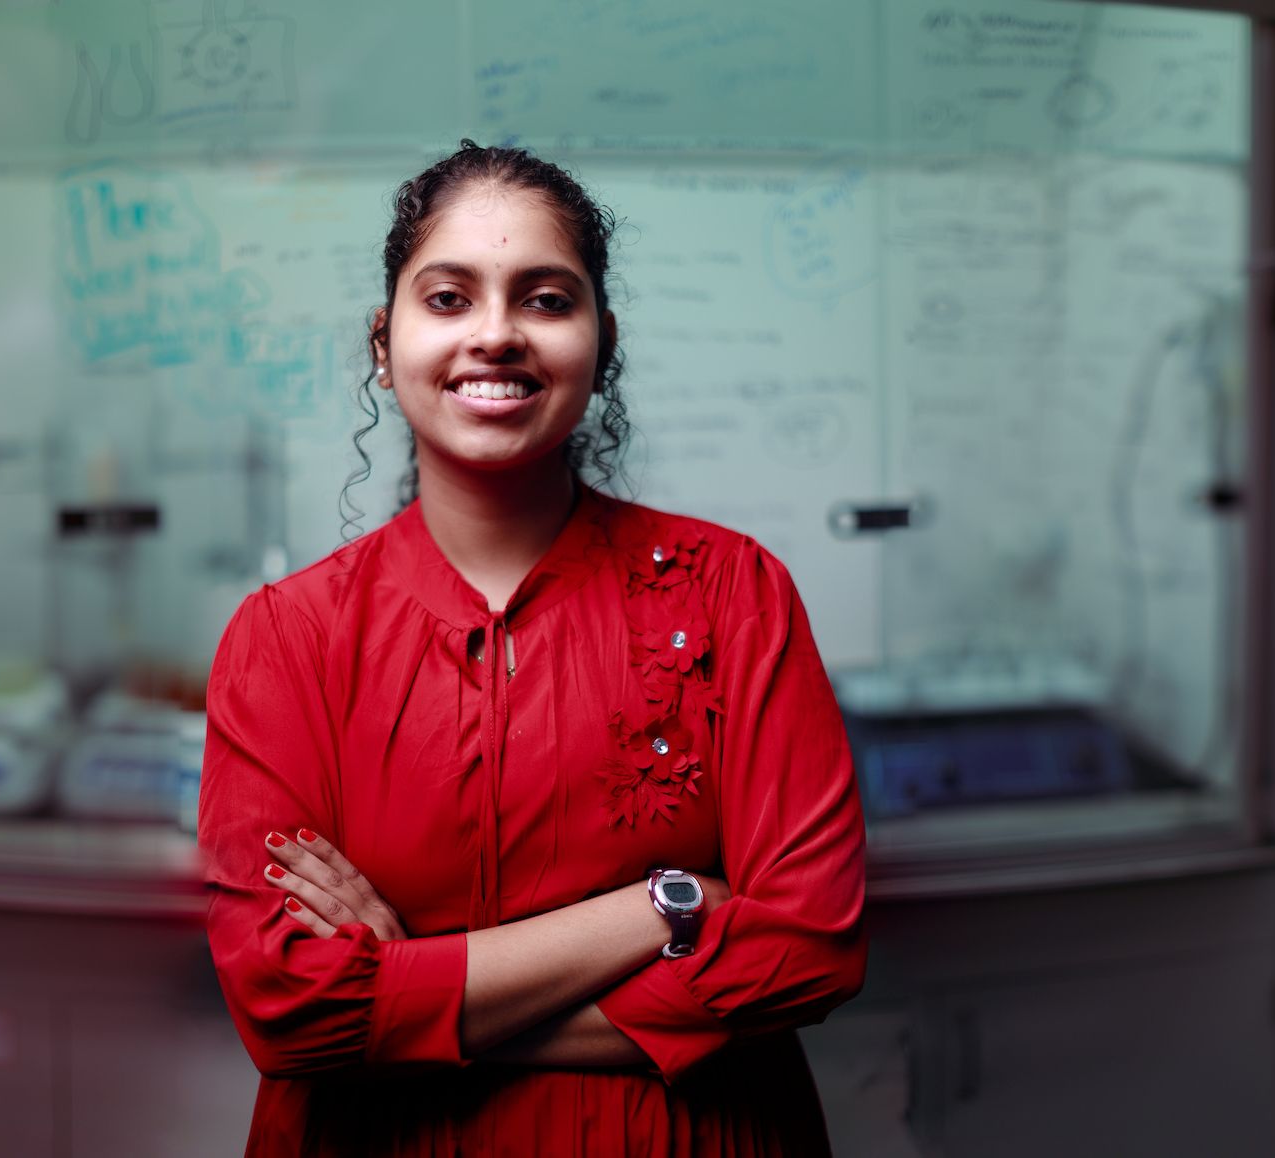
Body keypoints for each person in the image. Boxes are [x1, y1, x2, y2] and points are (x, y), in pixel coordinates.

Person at [200, 140, 869, 1156]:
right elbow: (288, 1008)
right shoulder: (286, 637)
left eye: (547, 300)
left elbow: (809, 947)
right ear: (384, 345)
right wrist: (662, 908)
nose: (498, 335)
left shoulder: (735, 593)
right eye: (450, 298)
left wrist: (406, 998)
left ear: (602, 342)